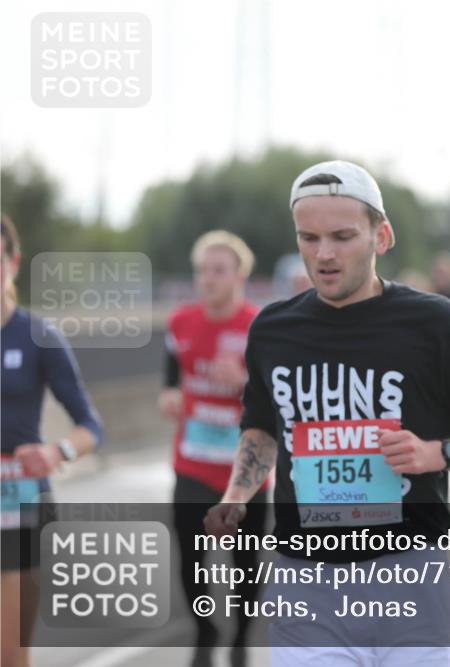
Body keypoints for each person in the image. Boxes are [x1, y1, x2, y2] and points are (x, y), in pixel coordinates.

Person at [202, 160, 450, 666]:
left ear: (382, 236)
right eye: (308, 238)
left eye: (342, 236)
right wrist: (237, 495)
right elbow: (263, 427)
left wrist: (436, 453)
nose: (324, 254)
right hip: (305, 580)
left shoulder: (437, 325)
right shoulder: (272, 329)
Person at [159, 230, 270, 667]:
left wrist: (244, 383)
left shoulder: (259, 327)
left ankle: (241, 637)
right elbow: (170, 382)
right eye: (202, 270)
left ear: (239, 274)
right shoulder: (180, 323)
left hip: (247, 467)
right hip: (192, 463)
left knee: (245, 562)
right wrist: (169, 396)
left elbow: (281, 400)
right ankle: (206, 631)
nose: (207, 278)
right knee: (190, 555)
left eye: (218, 270)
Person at [1, 214, 104, 667]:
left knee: (9, 653)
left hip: (19, 507)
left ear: (13, 262)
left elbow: (90, 426)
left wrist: (56, 451)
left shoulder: (39, 336)